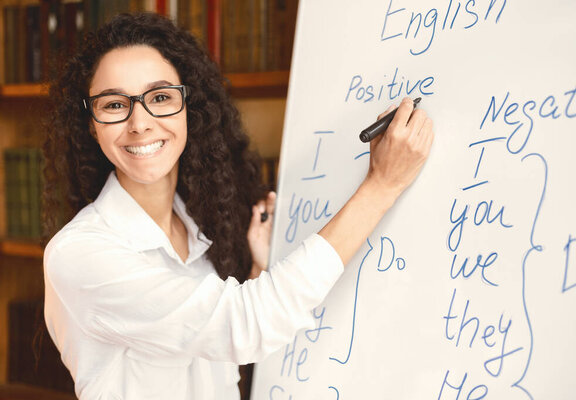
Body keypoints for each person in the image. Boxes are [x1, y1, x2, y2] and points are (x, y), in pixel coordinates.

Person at [42, 12, 434, 400]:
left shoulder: (195, 228)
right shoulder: (79, 253)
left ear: (188, 109)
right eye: (113, 105)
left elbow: (210, 350)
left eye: (160, 97)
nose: (140, 123)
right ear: (91, 123)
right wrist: (383, 185)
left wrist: (257, 271)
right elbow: (245, 325)